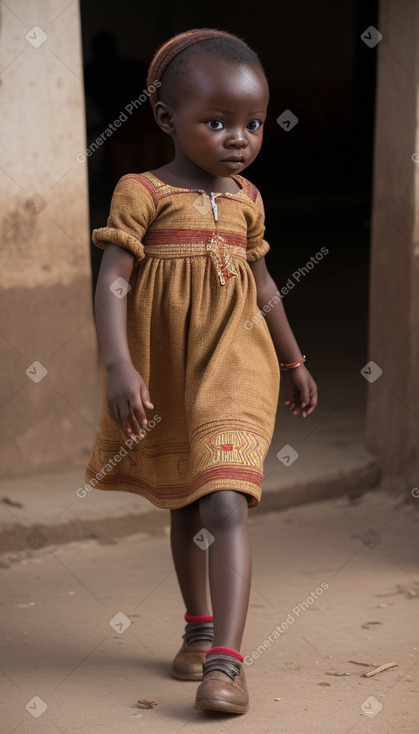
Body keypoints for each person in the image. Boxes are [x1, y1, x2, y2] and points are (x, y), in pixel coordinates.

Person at [85, 28, 318, 715]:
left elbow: (264, 282)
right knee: (188, 502)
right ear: (167, 119)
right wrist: (119, 365)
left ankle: (227, 663)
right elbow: (112, 282)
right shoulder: (142, 192)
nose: (238, 138)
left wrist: (293, 357)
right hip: (169, 371)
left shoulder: (248, 198)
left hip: (238, 367)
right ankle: (197, 628)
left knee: (225, 497)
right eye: (215, 122)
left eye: (251, 123)